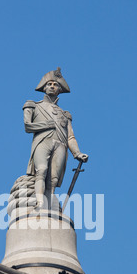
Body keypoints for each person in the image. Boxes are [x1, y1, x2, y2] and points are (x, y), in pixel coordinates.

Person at [23, 68, 88, 209]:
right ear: (44, 87)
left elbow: (70, 136)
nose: (52, 86)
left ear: (59, 89)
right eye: (49, 84)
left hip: (60, 144)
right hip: (43, 141)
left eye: (55, 84)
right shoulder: (33, 105)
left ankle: (50, 204)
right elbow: (28, 126)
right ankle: (39, 203)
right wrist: (47, 125)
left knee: (53, 179)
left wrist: (77, 153)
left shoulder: (65, 114)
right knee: (41, 170)